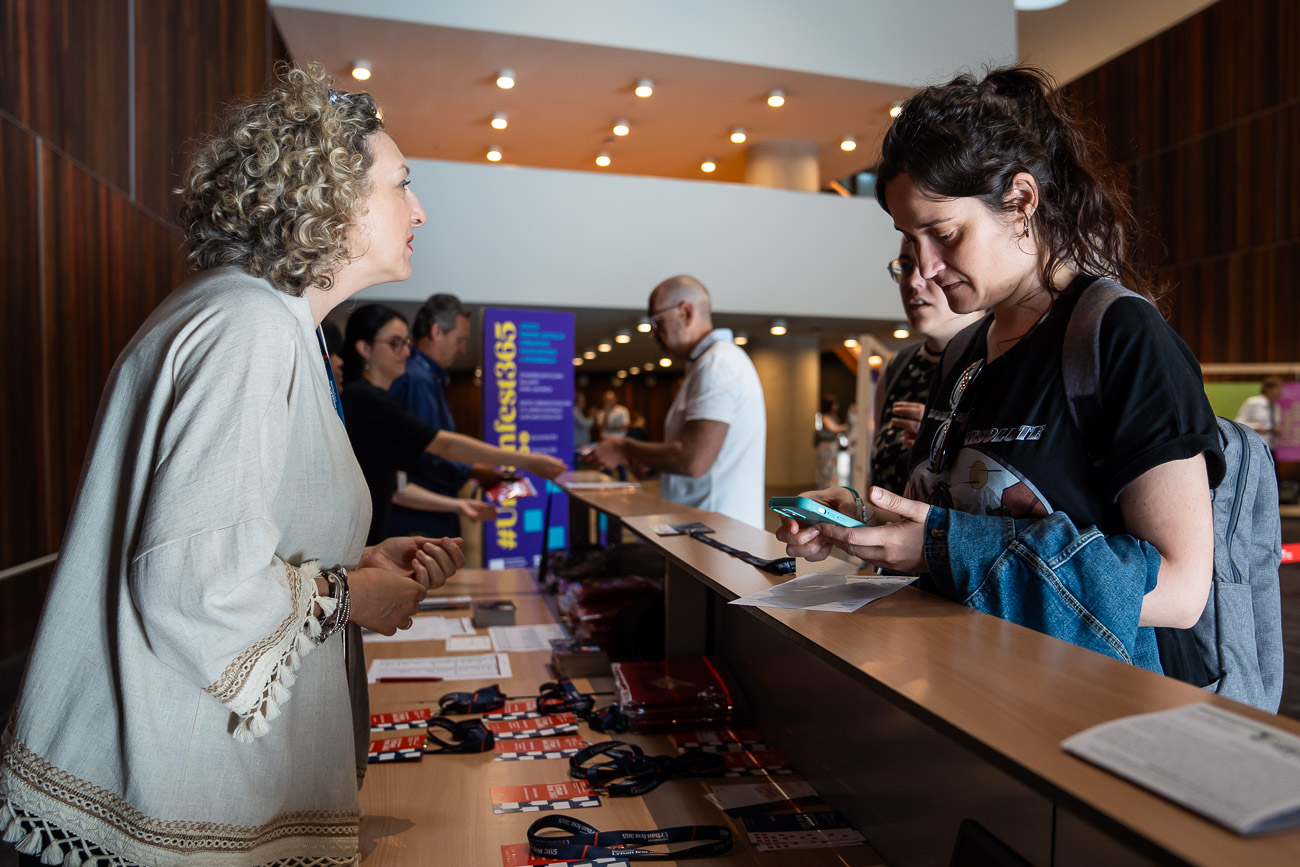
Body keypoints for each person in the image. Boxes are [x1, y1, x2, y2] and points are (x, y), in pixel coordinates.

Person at [0, 65, 467, 866]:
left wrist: (357, 560)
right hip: (178, 789)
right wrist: (351, 596)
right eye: (401, 184)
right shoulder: (246, 326)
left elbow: (227, 531)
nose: (419, 209)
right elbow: (193, 582)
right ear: (328, 193)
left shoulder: (263, 319)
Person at [777, 66, 1225, 674]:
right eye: (910, 242)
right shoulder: (963, 353)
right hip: (966, 693)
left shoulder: (1120, 336)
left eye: (943, 234)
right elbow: (954, 521)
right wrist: (863, 523)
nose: (925, 269)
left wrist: (940, 545)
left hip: (1085, 715)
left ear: (1020, 201)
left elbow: (1178, 590)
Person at [340, 303, 565, 546]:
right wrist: (527, 460)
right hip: (377, 537)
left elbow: (398, 488)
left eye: (406, 343)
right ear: (364, 348)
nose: (406, 352)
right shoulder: (367, 398)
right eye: (396, 343)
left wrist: (460, 505)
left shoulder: (379, 396)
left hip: (376, 537)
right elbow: (443, 445)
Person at [593, 275, 767, 527]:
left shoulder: (718, 364)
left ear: (685, 312)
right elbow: (704, 455)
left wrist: (624, 448)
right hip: (707, 526)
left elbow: (693, 459)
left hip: (719, 534)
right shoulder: (707, 363)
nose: (652, 333)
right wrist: (656, 465)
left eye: (657, 321)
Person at [870, 243, 984, 494]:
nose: (913, 282)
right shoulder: (897, 367)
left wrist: (943, 435)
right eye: (907, 266)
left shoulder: (994, 360)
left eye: (929, 266)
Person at [388, 293, 503, 538]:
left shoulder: (427, 376)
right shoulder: (418, 379)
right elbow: (432, 449)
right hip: (420, 515)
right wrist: (471, 470)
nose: (462, 350)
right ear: (436, 331)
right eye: (460, 340)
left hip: (425, 508)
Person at [1235, 375, 1283, 452]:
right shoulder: (1253, 403)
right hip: (1254, 446)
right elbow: (1238, 422)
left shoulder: (1276, 407)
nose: (1281, 391)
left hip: (1270, 447)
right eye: (1278, 388)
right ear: (1268, 389)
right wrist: (1256, 427)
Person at [815, 394, 849, 489]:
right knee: (826, 469)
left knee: (831, 468)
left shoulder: (832, 416)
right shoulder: (825, 417)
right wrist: (845, 427)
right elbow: (833, 429)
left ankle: (829, 488)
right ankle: (826, 489)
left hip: (831, 447)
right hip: (827, 447)